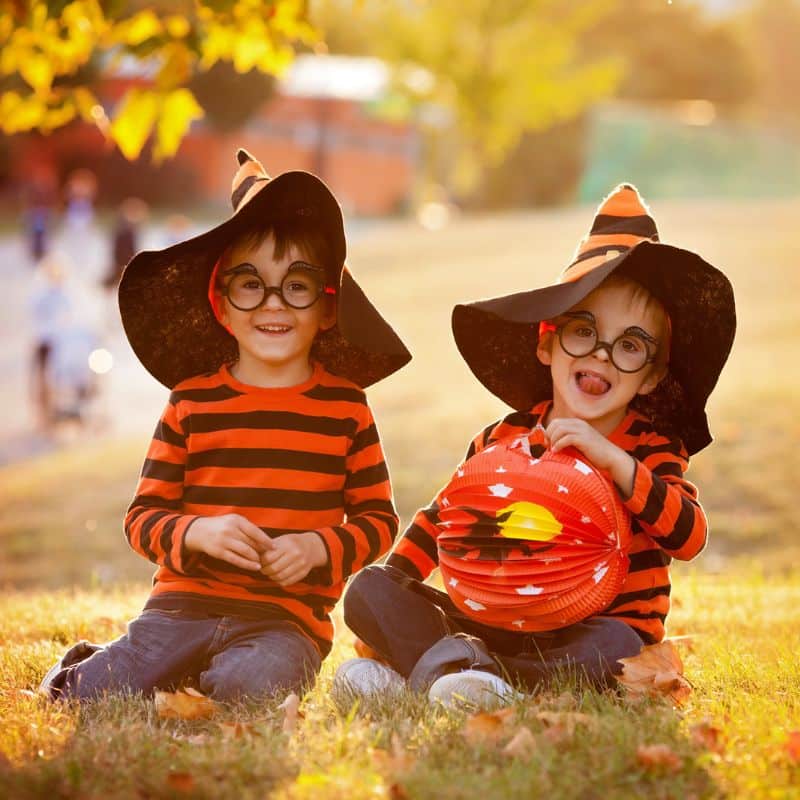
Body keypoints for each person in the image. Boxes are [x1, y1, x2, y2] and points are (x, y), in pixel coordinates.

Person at [335, 183, 736, 706]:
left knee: (617, 645)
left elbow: (689, 535)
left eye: (630, 345)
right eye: (582, 332)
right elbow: (445, 520)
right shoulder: (502, 438)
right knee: (369, 589)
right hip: (491, 617)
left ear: (653, 376)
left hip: (588, 631)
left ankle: (458, 672)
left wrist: (612, 459)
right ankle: (465, 669)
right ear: (547, 343)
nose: (602, 356)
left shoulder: (650, 447)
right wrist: (395, 596)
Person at [40, 148, 411, 703]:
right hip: (182, 605)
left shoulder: (346, 407)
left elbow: (379, 520)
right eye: (249, 284)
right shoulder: (192, 403)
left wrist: (319, 547)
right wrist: (196, 533)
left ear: (327, 307)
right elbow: (142, 519)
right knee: (100, 694)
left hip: (284, 622)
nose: (273, 303)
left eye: (298, 284)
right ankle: (85, 668)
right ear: (221, 303)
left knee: (252, 687)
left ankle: (195, 677)